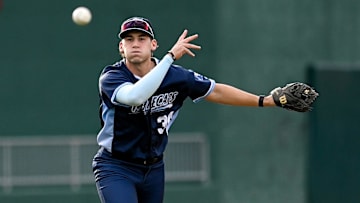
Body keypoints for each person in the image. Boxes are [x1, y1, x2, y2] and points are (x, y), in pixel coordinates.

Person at [92, 16, 276, 203]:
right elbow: (135, 97)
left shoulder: (176, 76)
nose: (135, 44)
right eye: (129, 39)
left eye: (142, 38)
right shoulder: (112, 77)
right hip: (116, 166)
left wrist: (264, 101)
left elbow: (216, 91)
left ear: (153, 45)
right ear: (121, 47)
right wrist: (170, 57)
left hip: (154, 169)